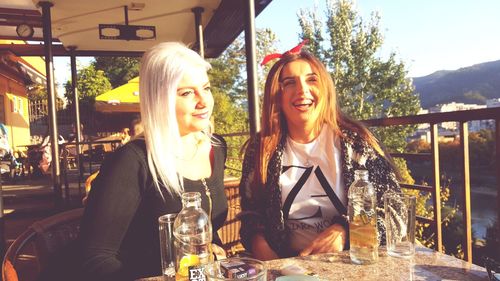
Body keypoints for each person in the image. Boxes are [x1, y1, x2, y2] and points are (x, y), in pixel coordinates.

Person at [77, 42, 228, 281]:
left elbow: (207, 230)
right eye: (187, 92)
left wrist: (216, 254)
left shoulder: (216, 148)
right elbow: (94, 259)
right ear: (160, 99)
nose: (204, 101)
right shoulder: (132, 161)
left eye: (206, 88)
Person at [238, 40, 401, 260]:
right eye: (289, 83)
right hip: (285, 267)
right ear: (277, 95)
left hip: (349, 264)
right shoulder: (261, 150)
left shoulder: (358, 144)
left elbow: (395, 213)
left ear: (324, 88)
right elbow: (251, 217)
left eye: (311, 80)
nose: (302, 90)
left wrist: (346, 231)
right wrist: (273, 262)